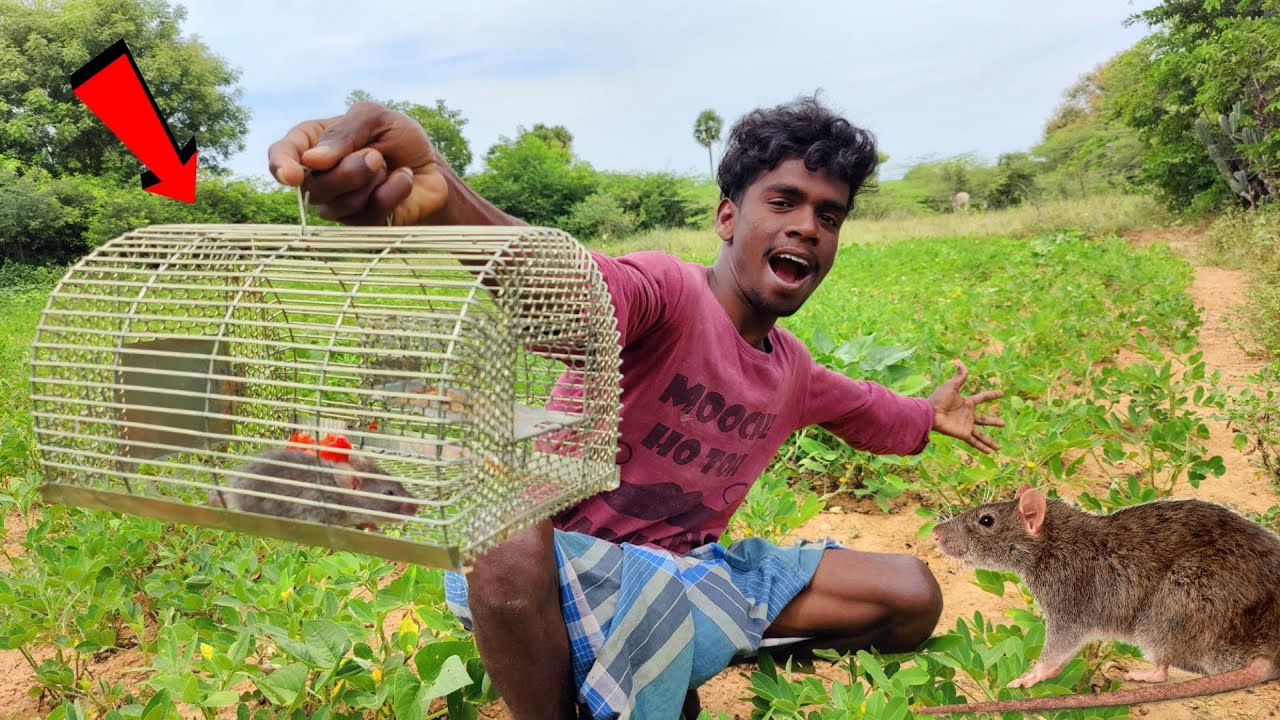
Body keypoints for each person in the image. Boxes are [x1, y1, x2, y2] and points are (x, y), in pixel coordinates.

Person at [268, 96, 1003, 720]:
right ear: (727, 217)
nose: (808, 225)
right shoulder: (667, 294)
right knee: (501, 531)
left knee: (909, 595)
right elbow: (571, 295)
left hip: (682, 574)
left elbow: (871, 410)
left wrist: (930, 416)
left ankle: (687, 643)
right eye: (783, 202)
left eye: (829, 215)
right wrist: (445, 200)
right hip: (550, 577)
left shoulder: (795, 373)